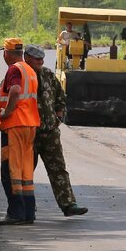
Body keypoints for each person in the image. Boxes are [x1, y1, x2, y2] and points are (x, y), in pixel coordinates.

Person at [24, 45, 88, 216]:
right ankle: (26, 207)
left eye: (42, 59)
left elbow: (60, 97)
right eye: (37, 59)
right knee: (25, 171)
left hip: (50, 133)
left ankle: (68, 205)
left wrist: (58, 117)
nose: (41, 61)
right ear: (27, 58)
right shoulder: (19, 75)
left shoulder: (48, 75)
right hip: (28, 134)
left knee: (58, 169)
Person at [0, 37, 39, 224]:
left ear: (7, 53)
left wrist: (6, 112)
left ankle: (15, 213)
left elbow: (16, 91)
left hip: (15, 125)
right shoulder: (29, 69)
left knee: (10, 169)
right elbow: (21, 92)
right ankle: (28, 213)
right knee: (25, 171)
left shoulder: (13, 69)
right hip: (29, 125)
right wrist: (0, 92)